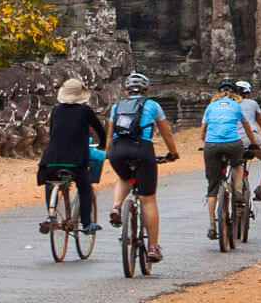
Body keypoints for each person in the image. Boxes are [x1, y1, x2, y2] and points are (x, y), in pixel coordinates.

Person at [106, 72, 180, 264]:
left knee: (124, 177)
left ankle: (116, 206)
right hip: (142, 149)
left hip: (118, 150)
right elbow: (166, 134)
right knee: (148, 200)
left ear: (126, 91)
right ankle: (153, 247)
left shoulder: (116, 107)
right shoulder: (152, 105)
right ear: (147, 90)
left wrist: (109, 154)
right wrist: (172, 153)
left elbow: (109, 136)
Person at [37, 78, 107, 235]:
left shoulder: (55, 111)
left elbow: (53, 132)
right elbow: (100, 130)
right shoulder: (85, 111)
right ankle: (87, 224)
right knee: (85, 187)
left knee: (51, 182)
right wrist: (103, 144)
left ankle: (51, 214)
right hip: (76, 161)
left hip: (52, 160)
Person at [201, 78, 260, 240]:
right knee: (237, 164)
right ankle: (239, 190)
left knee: (212, 188)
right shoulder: (237, 106)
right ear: (235, 93)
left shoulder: (210, 106)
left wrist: (207, 142)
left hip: (212, 145)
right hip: (233, 144)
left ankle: (212, 225)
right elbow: (247, 129)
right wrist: (254, 144)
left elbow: (202, 133)